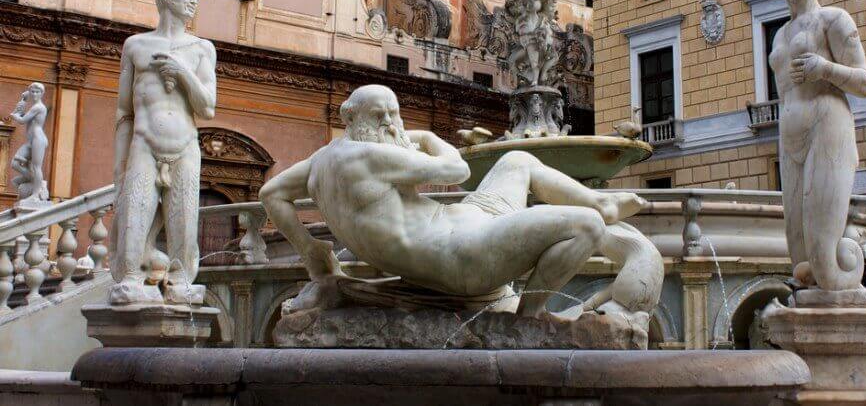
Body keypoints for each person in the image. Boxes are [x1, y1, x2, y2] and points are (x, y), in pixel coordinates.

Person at [261, 84, 646, 317]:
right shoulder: (369, 157)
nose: (393, 125)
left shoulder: (324, 159)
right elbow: (456, 171)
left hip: (466, 222)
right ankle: (527, 319)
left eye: (395, 114)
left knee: (517, 159)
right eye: (383, 117)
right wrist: (427, 137)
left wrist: (311, 252)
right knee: (586, 227)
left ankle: (602, 201)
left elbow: (270, 193)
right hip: (463, 257)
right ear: (353, 117)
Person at [769, 0, 866, 293]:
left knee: (825, 256)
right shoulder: (779, 35)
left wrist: (825, 69)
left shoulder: (834, 19)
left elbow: (864, 82)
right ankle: (809, 315)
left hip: (827, 126)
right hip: (790, 136)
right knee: (799, 254)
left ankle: (843, 303)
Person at [109, 0, 217, 305]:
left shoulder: (202, 49)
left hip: (184, 145)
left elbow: (208, 107)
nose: (194, 0)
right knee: (135, 213)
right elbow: (124, 110)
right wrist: (119, 164)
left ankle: (182, 280)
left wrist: (183, 73)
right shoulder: (136, 46)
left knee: (184, 218)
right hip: (143, 142)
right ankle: (130, 277)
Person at [10, 83, 48, 202]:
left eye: (38, 92)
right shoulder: (33, 106)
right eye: (33, 92)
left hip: (38, 139)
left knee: (37, 167)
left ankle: (36, 194)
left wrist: (13, 115)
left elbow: (22, 120)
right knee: (15, 163)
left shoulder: (38, 107)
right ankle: (35, 181)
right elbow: (22, 115)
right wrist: (24, 101)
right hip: (31, 141)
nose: (35, 94)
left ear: (42, 93)